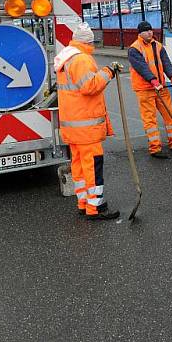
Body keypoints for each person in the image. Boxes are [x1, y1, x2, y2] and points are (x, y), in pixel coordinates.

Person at [54, 22, 121, 220]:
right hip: (86, 128)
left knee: (80, 167)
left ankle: (83, 202)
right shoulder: (82, 59)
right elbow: (90, 86)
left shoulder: (66, 57)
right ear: (89, 41)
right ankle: (95, 208)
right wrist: (109, 71)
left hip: (73, 127)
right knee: (92, 166)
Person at [128, 20, 172, 159]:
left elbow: (166, 63)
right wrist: (153, 81)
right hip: (145, 89)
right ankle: (155, 148)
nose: (149, 32)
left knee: (170, 115)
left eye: (151, 30)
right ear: (140, 33)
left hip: (161, 87)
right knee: (150, 120)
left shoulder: (158, 46)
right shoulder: (134, 49)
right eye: (146, 30)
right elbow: (142, 67)